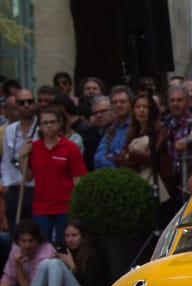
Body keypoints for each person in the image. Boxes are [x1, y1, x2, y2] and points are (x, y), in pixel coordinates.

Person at [6, 220, 106, 286]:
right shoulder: (62, 250)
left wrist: (72, 266)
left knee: (54, 263)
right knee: (46, 263)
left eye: (74, 235)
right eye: (67, 236)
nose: (70, 239)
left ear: (83, 236)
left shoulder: (93, 254)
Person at [18, 106, 87, 248]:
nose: (49, 126)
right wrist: (22, 156)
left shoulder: (70, 147)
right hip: (42, 206)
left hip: (65, 205)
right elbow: (27, 178)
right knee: (41, 245)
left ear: (60, 123)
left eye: (53, 122)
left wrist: (77, 205)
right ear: (40, 126)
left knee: (65, 245)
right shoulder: (33, 148)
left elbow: (78, 180)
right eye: (45, 123)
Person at [116, 92, 171, 207]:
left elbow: (152, 158)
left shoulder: (160, 131)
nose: (141, 110)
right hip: (135, 181)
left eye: (146, 107)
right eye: (138, 107)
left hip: (156, 183)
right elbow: (120, 158)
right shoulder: (132, 132)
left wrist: (131, 156)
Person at [0, 220, 55, 286]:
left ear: (38, 240)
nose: (27, 245)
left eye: (31, 240)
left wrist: (19, 266)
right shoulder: (16, 249)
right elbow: (8, 278)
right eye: (23, 241)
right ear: (17, 241)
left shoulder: (45, 252)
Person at [2, 89, 38, 231]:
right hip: (14, 187)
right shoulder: (10, 130)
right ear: (16, 106)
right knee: (15, 230)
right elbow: (6, 159)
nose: (26, 105)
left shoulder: (42, 127)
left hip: (35, 187)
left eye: (30, 101)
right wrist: (6, 183)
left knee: (33, 230)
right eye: (22, 102)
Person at [93, 85, 133, 169]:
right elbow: (97, 159)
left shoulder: (137, 127)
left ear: (131, 103)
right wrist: (115, 158)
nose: (118, 105)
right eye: (115, 102)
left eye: (122, 101)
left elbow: (131, 157)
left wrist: (111, 156)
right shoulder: (111, 130)